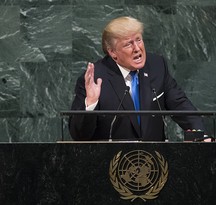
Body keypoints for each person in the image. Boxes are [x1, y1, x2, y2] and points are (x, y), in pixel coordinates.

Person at [69, 16, 205, 141]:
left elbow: (181, 106)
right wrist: (91, 103)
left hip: (155, 161)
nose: (137, 48)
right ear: (113, 53)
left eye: (138, 40)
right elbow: (79, 136)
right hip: (112, 162)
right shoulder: (95, 79)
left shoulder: (157, 66)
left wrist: (200, 136)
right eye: (128, 44)